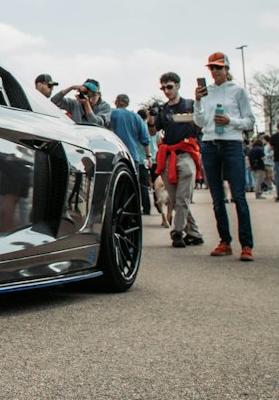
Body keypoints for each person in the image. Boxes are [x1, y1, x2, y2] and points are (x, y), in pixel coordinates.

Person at [194, 51, 256, 260]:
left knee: (238, 196)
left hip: (232, 143)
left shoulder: (238, 90)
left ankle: (246, 245)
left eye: (218, 67)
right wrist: (197, 102)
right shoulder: (207, 91)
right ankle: (225, 241)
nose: (214, 71)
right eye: (211, 68)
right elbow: (200, 122)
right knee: (217, 198)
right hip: (210, 143)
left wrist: (230, 121)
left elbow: (249, 121)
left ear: (226, 69)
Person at [150, 71, 203, 248]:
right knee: (176, 199)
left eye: (169, 87)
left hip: (186, 153)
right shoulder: (163, 109)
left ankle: (177, 232)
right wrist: (151, 116)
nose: (166, 90)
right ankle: (194, 233)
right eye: (163, 87)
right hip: (168, 156)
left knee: (182, 198)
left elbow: (200, 125)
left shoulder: (190, 104)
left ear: (178, 86)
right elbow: (153, 131)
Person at [110, 93, 152, 215]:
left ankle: (117, 213)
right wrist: (148, 157)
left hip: (115, 156)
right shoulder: (136, 117)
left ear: (117, 102)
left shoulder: (112, 113)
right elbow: (145, 139)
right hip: (133, 156)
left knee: (116, 188)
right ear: (127, 103)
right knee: (132, 187)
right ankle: (132, 214)